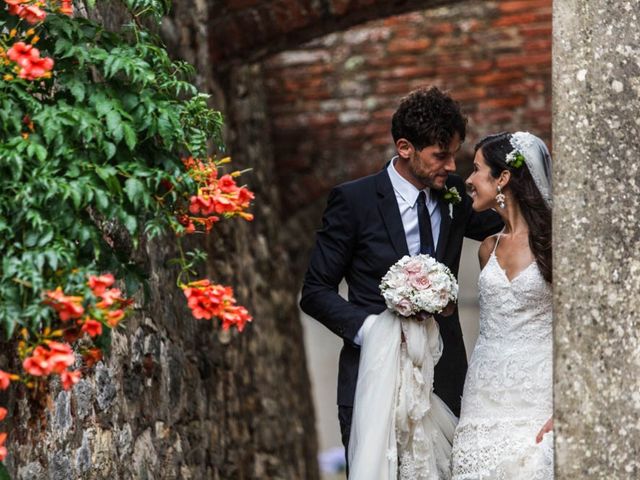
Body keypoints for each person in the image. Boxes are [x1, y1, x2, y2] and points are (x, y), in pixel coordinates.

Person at [299, 86, 503, 469]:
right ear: (405, 147)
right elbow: (314, 291)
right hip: (373, 379)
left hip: (446, 379)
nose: (451, 167)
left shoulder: (455, 194)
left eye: (455, 155)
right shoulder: (354, 201)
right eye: (440, 156)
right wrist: (372, 332)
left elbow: (515, 225)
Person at [450, 131, 554, 478]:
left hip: (538, 390)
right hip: (484, 391)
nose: (468, 179)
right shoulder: (487, 248)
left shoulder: (555, 245)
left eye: (477, 169)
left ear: (503, 178)